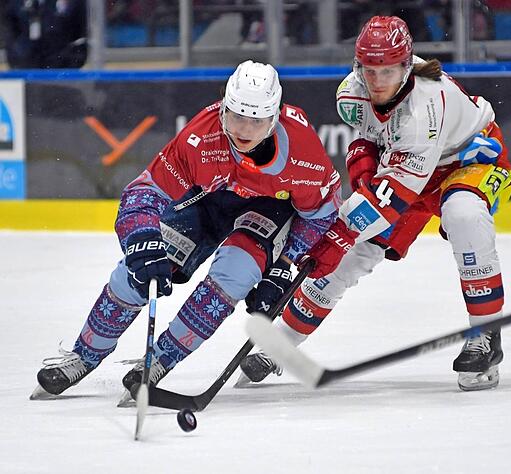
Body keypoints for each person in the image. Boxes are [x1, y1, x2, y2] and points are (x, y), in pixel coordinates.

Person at [31, 60, 341, 399]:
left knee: (232, 276)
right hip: (208, 200)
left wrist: (282, 268)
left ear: (275, 117)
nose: (243, 130)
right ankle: (83, 355)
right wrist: (141, 240)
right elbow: (143, 192)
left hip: (269, 210)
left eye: (256, 120)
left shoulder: (304, 152)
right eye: (236, 115)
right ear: (223, 107)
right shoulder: (199, 137)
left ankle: (160, 360)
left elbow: (320, 215)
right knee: (137, 275)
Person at [238, 15, 511, 392]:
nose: (377, 82)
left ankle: (486, 336)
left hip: (469, 159)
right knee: (351, 256)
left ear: (407, 66)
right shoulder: (351, 95)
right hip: (410, 166)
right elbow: (371, 140)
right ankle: (282, 343)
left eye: (387, 71)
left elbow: (388, 199)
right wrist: (363, 166)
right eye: (370, 71)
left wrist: (335, 236)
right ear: (358, 66)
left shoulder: (424, 111)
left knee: (463, 213)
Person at [4, 0, 87, 69]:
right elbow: (10, 31)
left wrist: (71, 62)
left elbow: (81, 33)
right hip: (25, 68)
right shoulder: (15, 4)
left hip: (62, 69)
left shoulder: (72, 3)